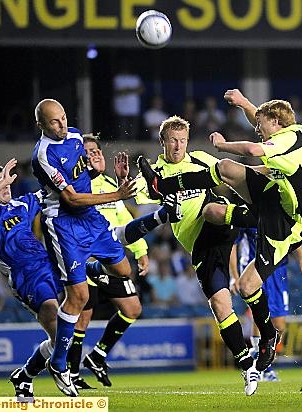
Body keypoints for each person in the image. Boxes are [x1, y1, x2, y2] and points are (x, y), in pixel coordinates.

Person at [138, 89, 302, 383]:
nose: (258, 130)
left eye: (261, 125)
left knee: (249, 286)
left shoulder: (290, 139)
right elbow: (261, 123)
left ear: (276, 121)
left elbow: (252, 149)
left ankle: (268, 336)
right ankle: (165, 185)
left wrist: (224, 144)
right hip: (274, 198)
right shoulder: (285, 136)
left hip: (288, 222)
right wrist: (243, 104)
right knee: (223, 176)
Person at [135, 115, 260, 396]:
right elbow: (134, 194)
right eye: (173, 141)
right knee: (219, 303)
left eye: (183, 141)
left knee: (212, 209)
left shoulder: (201, 159)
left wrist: (256, 180)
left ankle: (263, 218)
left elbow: (230, 177)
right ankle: (246, 364)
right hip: (199, 244)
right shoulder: (154, 174)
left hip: (219, 219)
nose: (178, 146)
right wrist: (122, 183)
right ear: (163, 142)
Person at [31, 99, 139, 396]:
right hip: (64, 226)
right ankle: (59, 363)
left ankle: (89, 270)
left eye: (64, 117)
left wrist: (112, 180)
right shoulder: (43, 155)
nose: (62, 124)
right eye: (54, 122)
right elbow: (71, 198)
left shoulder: (77, 136)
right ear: (41, 125)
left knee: (124, 270)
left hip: (91, 219)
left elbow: (82, 179)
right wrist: (116, 195)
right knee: (78, 297)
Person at [0, 159, 65, 400]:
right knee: (53, 316)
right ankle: (60, 367)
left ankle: (25, 375)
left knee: (63, 332)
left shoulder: (22, 204)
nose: (6, 184)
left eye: (7, 179)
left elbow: (54, 190)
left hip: (48, 265)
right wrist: (1, 181)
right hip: (24, 274)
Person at [66, 134, 153, 389]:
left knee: (132, 309)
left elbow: (123, 220)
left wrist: (140, 251)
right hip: (84, 259)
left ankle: (98, 355)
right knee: (83, 316)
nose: (94, 154)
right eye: (87, 151)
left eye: (96, 150)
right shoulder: (76, 186)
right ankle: (71, 373)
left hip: (110, 258)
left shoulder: (107, 183)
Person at [230, 227, 302, 382]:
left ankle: (262, 359)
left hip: (278, 269)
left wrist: (301, 260)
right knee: (260, 312)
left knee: (280, 325)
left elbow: (294, 236)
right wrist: (234, 276)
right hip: (254, 267)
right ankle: (260, 365)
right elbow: (234, 245)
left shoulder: (279, 211)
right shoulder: (247, 213)